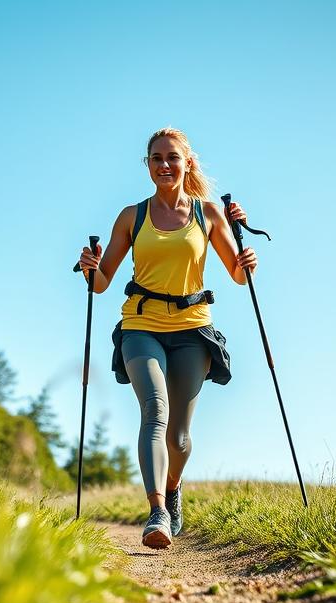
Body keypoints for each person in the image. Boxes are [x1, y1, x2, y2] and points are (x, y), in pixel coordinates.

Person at [77, 127, 257, 548]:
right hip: (141, 325)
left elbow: (237, 274)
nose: (164, 165)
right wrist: (91, 267)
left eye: (172, 157)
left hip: (193, 329)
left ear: (186, 162)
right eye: (156, 158)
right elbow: (102, 283)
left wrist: (247, 259)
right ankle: (157, 510)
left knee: (178, 437)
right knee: (154, 410)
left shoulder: (208, 214)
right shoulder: (131, 216)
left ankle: (172, 488)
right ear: (148, 165)